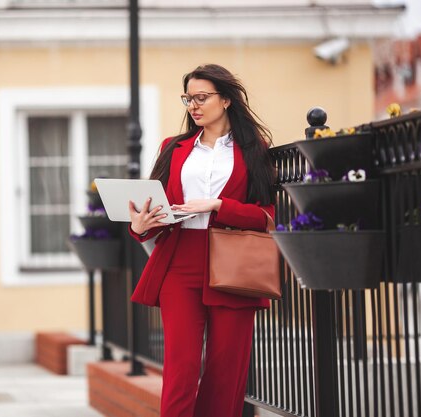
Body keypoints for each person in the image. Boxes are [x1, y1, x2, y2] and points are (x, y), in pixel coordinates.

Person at [128, 64, 276, 417]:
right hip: (180, 262)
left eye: (201, 97)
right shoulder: (174, 147)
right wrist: (140, 225)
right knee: (181, 370)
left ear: (225, 100)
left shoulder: (254, 149)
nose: (193, 105)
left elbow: (268, 216)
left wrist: (219, 206)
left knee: (226, 374)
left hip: (233, 264)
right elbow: (155, 206)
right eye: (188, 98)